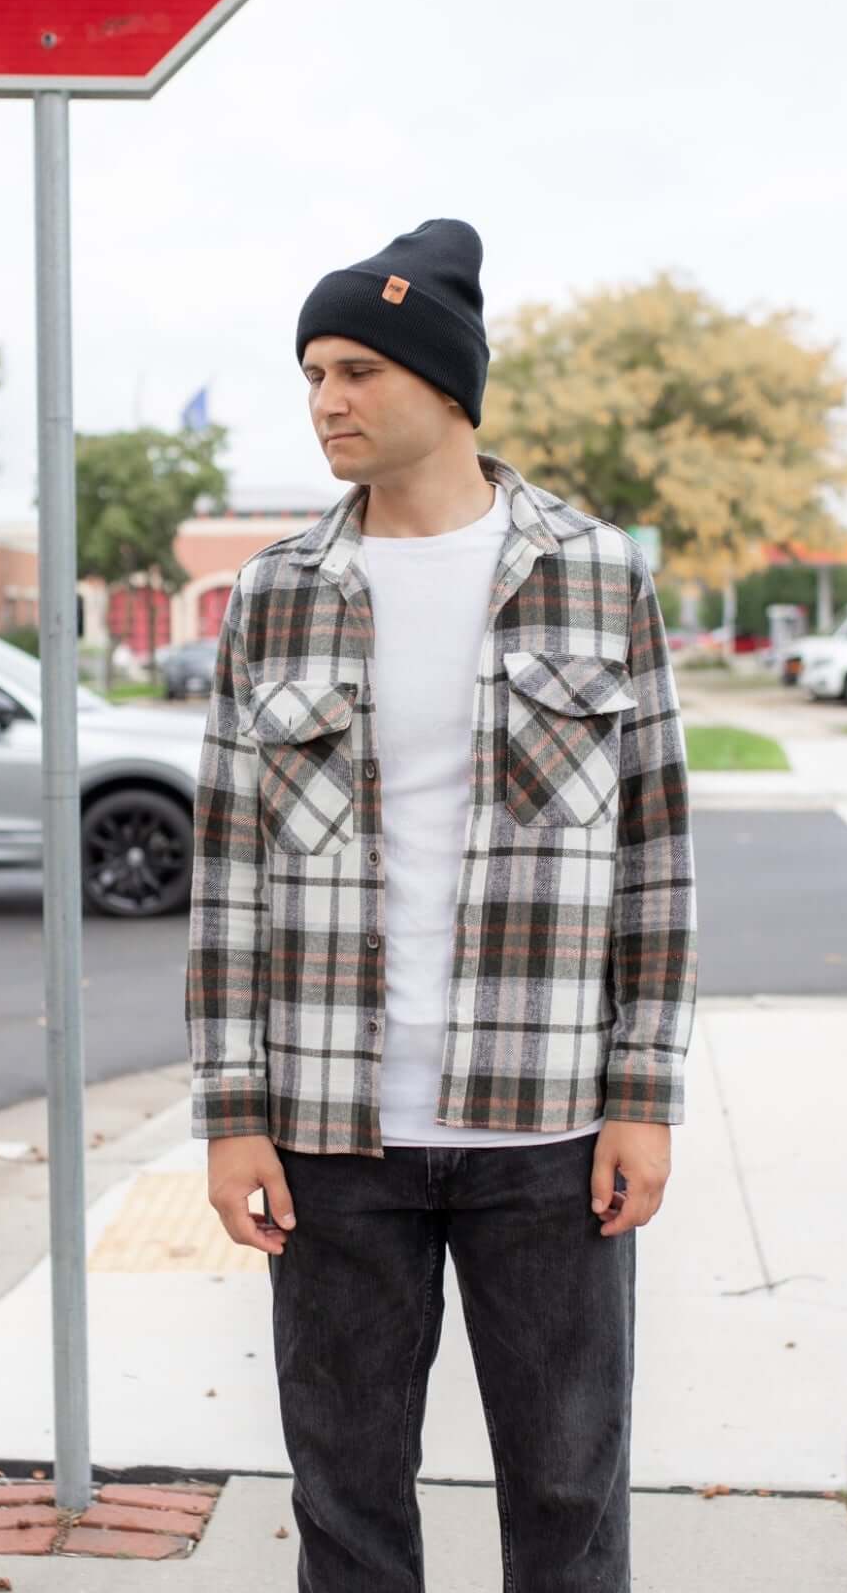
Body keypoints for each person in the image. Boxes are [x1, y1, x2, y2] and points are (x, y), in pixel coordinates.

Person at [184, 217, 697, 1592]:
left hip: (547, 1127)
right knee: (345, 1504)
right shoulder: (274, 598)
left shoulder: (597, 575)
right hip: (335, 1132)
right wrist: (233, 1115)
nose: (325, 402)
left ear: (446, 385)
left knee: (569, 1497)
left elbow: (656, 855)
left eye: (355, 369)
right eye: (312, 373)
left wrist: (644, 1094)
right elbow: (227, 872)